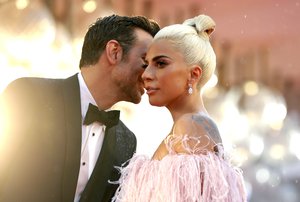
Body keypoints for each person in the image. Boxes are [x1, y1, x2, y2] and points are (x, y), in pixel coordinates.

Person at [0, 14, 160, 202]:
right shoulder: (29, 96)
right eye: (145, 61)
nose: (151, 74)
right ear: (114, 52)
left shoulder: (126, 141)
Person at [112, 14, 247, 202]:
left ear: (193, 74)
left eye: (161, 63)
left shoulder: (190, 125)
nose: (146, 75)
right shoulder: (189, 125)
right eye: (147, 64)